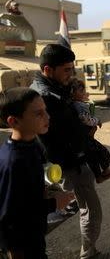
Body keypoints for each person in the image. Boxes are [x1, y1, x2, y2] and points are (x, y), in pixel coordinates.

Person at [30, 44, 103, 258]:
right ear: (48, 70)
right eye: (66, 70)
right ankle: (88, 254)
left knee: (71, 206)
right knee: (85, 209)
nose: (70, 74)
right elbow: (58, 135)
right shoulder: (46, 96)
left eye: (72, 69)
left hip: (68, 162)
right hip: (68, 164)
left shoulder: (53, 89)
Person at [0, 87, 73, 258]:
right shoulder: (13, 161)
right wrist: (53, 204)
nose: (47, 117)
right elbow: (10, 215)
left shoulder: (34, 143)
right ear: (14, 122)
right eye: (38, 114)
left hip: (34, 233)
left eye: (45, 110)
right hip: (20, 243)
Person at [69, 78, 110, 184]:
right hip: (85, 137)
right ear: (72, 93)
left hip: (86, 136)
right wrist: (97, 121)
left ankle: (102, 173)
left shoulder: (78, 103)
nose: (84, 93)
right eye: (81, 91)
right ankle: (104, 172)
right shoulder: (77, 105)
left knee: (96, 154)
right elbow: (86, 120)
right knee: (98, 152)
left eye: (84, 90)